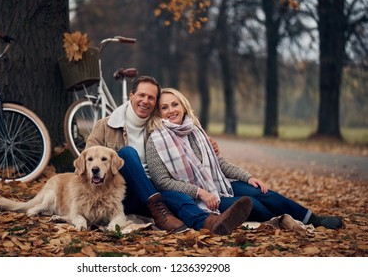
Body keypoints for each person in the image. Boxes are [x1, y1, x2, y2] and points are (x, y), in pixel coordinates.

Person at [146, 88, 343, 230]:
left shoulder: (195, 130)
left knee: (263, 193)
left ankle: (313, 219)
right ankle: (282, 221)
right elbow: (162, 182)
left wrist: (248, 177)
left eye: (175, 104)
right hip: (195, 197)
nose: (171, 110)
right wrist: (200, 193)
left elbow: (218, 163)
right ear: (159, 112)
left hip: (219, 185)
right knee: (251, 203)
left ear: (183, 105)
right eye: (164, 107)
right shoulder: (156, 140)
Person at [86, 76, 253, 234]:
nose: (145, 101)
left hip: (155, 193)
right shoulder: (105, 126)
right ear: (131, 95)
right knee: (127, 154)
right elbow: (89, 163)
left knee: (180, 198)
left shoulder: (160, 127)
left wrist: (209, 145)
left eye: (151, 98)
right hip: (121, 193)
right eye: (141, 95)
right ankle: (161, 214)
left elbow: (185, 142)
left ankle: (209, 223)